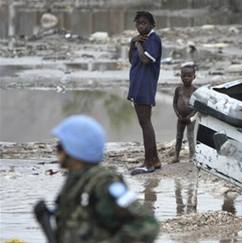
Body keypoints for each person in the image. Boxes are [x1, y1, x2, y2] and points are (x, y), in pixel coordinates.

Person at [34, 115, 159, 243]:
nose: (57, 151)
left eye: (60, 146)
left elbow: (147, 225)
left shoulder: (104, 183)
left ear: (75, 149)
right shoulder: (75, 180)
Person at [128, 11, 162, 175]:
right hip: (137, 85)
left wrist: (138, 45)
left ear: (152, 25)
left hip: (145, 85)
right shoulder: (138, 40)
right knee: (144, 123)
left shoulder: (153, 39)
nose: (141, 26)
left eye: (144, 23)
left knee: (145, 123)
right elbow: (131, 60)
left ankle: (149, 163)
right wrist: (132, 43)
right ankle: (154, 159)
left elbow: (146, 59)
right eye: (138, 23)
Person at [173, 64, 197, 162]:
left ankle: (192, 156)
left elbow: (197, 107)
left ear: (194, 77)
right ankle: (176, 156)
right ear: (181, 76)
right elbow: (174, 103)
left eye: (189, 76)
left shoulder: (195, 91)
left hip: (190, 118)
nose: (186, 78)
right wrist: (178, 115)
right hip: (180, 118)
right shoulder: (178, 89)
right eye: (184, 76)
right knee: (179, 136)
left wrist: (189, 116)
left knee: (190, 136)